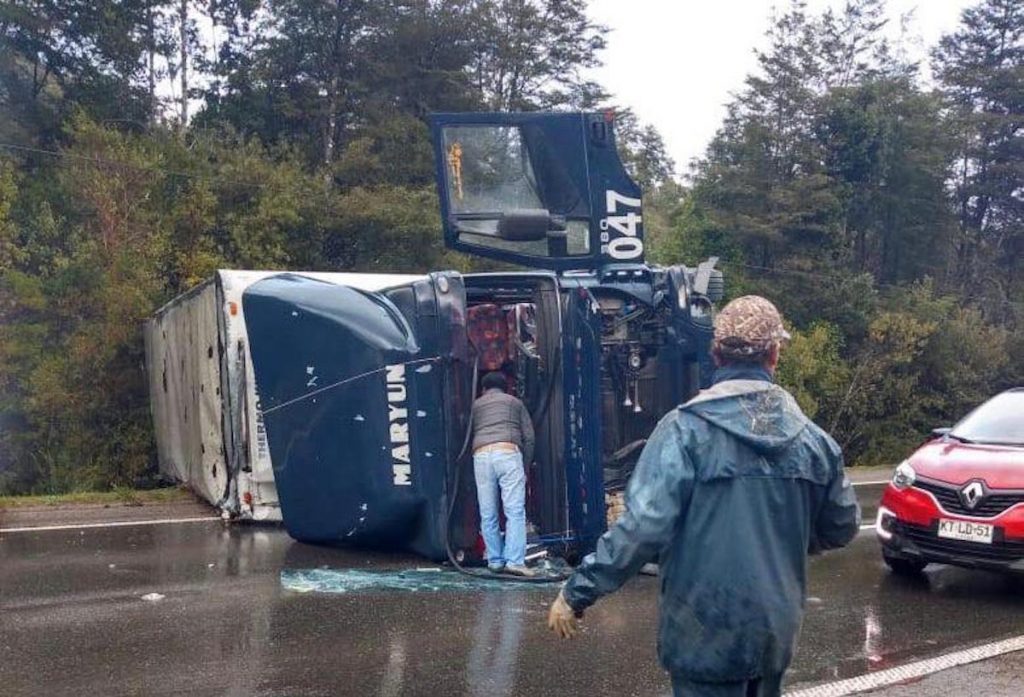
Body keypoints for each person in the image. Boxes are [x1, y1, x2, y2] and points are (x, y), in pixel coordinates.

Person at [547, 296, 861, 697]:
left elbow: (643, 528)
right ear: (775, 355)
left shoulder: (683, 432)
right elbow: (841, 527)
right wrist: (783, 536)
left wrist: (578, 591)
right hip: (773, 632)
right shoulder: (815, 443)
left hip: (703, 633)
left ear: (715, 354)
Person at [472, 371, 536, 576]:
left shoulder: (476, 405)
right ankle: (515, 562)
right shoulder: (514, 403)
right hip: (507, 452)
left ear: (483, 389)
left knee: (488, 512)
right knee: (514, 510)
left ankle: (495, 561)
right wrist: (525, 466)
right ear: (506, 386)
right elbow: (529, 437)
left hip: (481, 456)